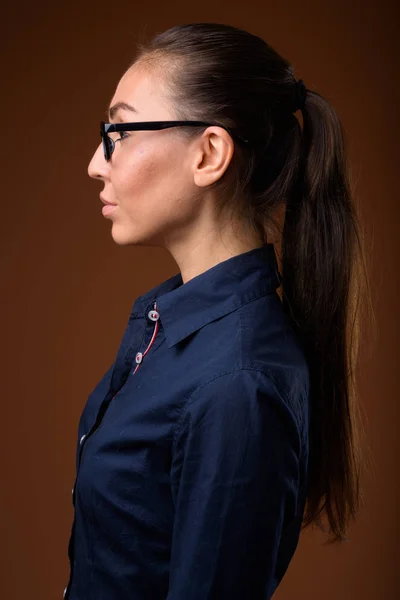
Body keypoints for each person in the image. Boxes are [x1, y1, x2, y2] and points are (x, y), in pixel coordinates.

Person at [64, 22, 368, 600]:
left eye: (119, 132)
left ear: (209, 153)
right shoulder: (167, 325)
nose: (95, 164)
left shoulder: (238, 382)